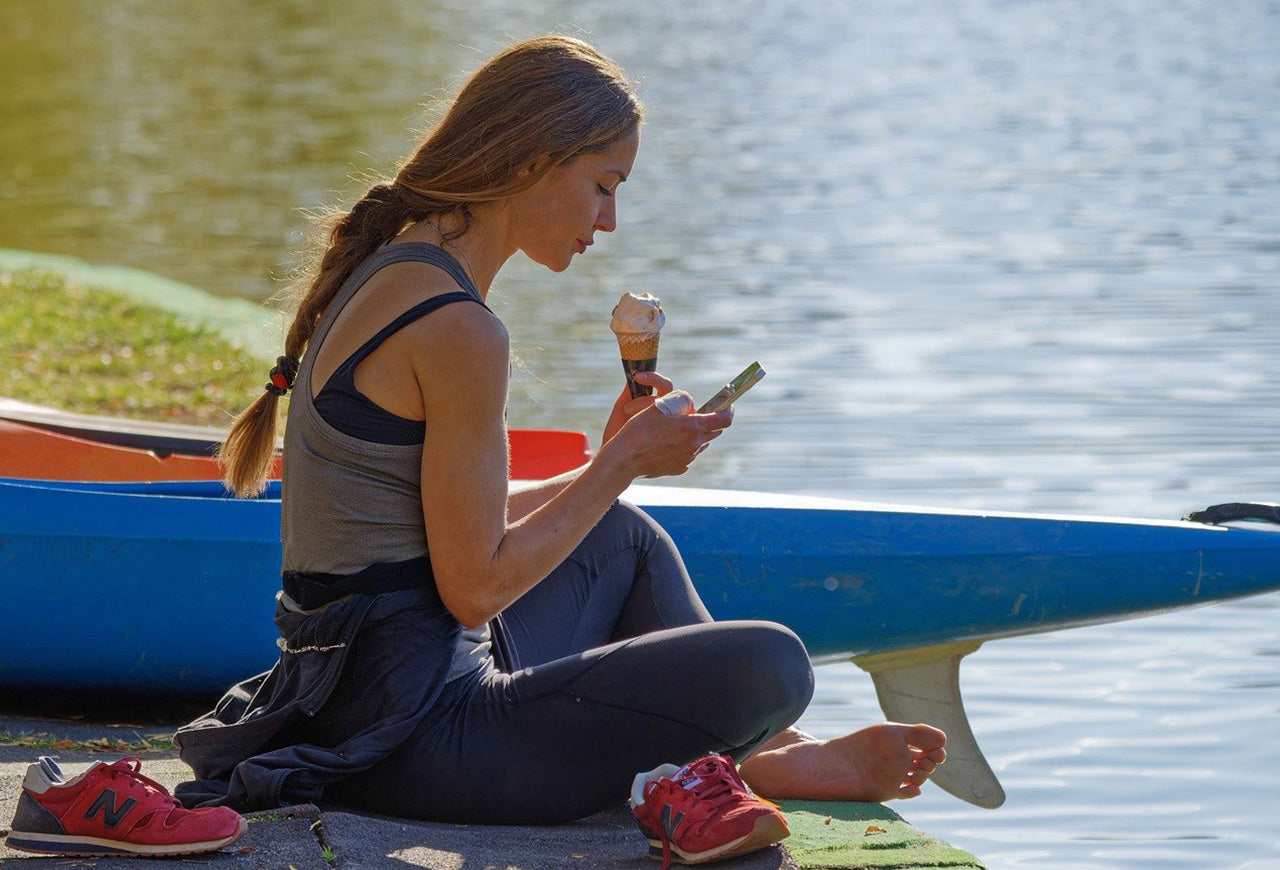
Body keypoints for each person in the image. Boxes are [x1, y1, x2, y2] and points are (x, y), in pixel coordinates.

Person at [174, 35, 945, 827]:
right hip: (415, 738)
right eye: (604, 185)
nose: (609, 221)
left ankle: (764, 756)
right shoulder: (459, 329)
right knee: (775, 661)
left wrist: (616, 467)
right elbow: (473, 588)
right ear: (530, 163)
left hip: (357, 693)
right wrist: (618, 462)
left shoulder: (395, 264)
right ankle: (753, 759)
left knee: (621, 538)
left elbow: (446, 531)